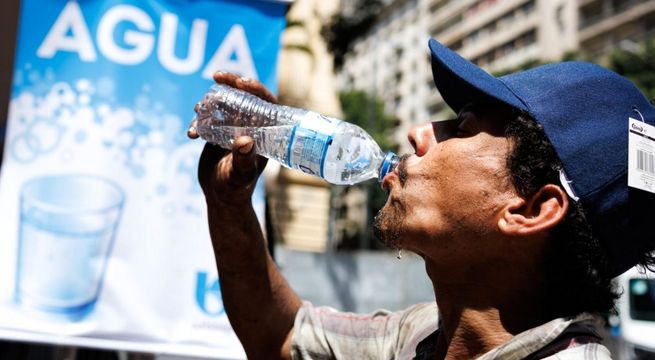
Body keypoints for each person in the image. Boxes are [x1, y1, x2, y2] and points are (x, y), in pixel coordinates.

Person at [187, 39, 655, 359]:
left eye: (465, 127)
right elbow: (284, 338)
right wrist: (228, 202)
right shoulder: (422, 336)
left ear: (530, 209)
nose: (418, 133)